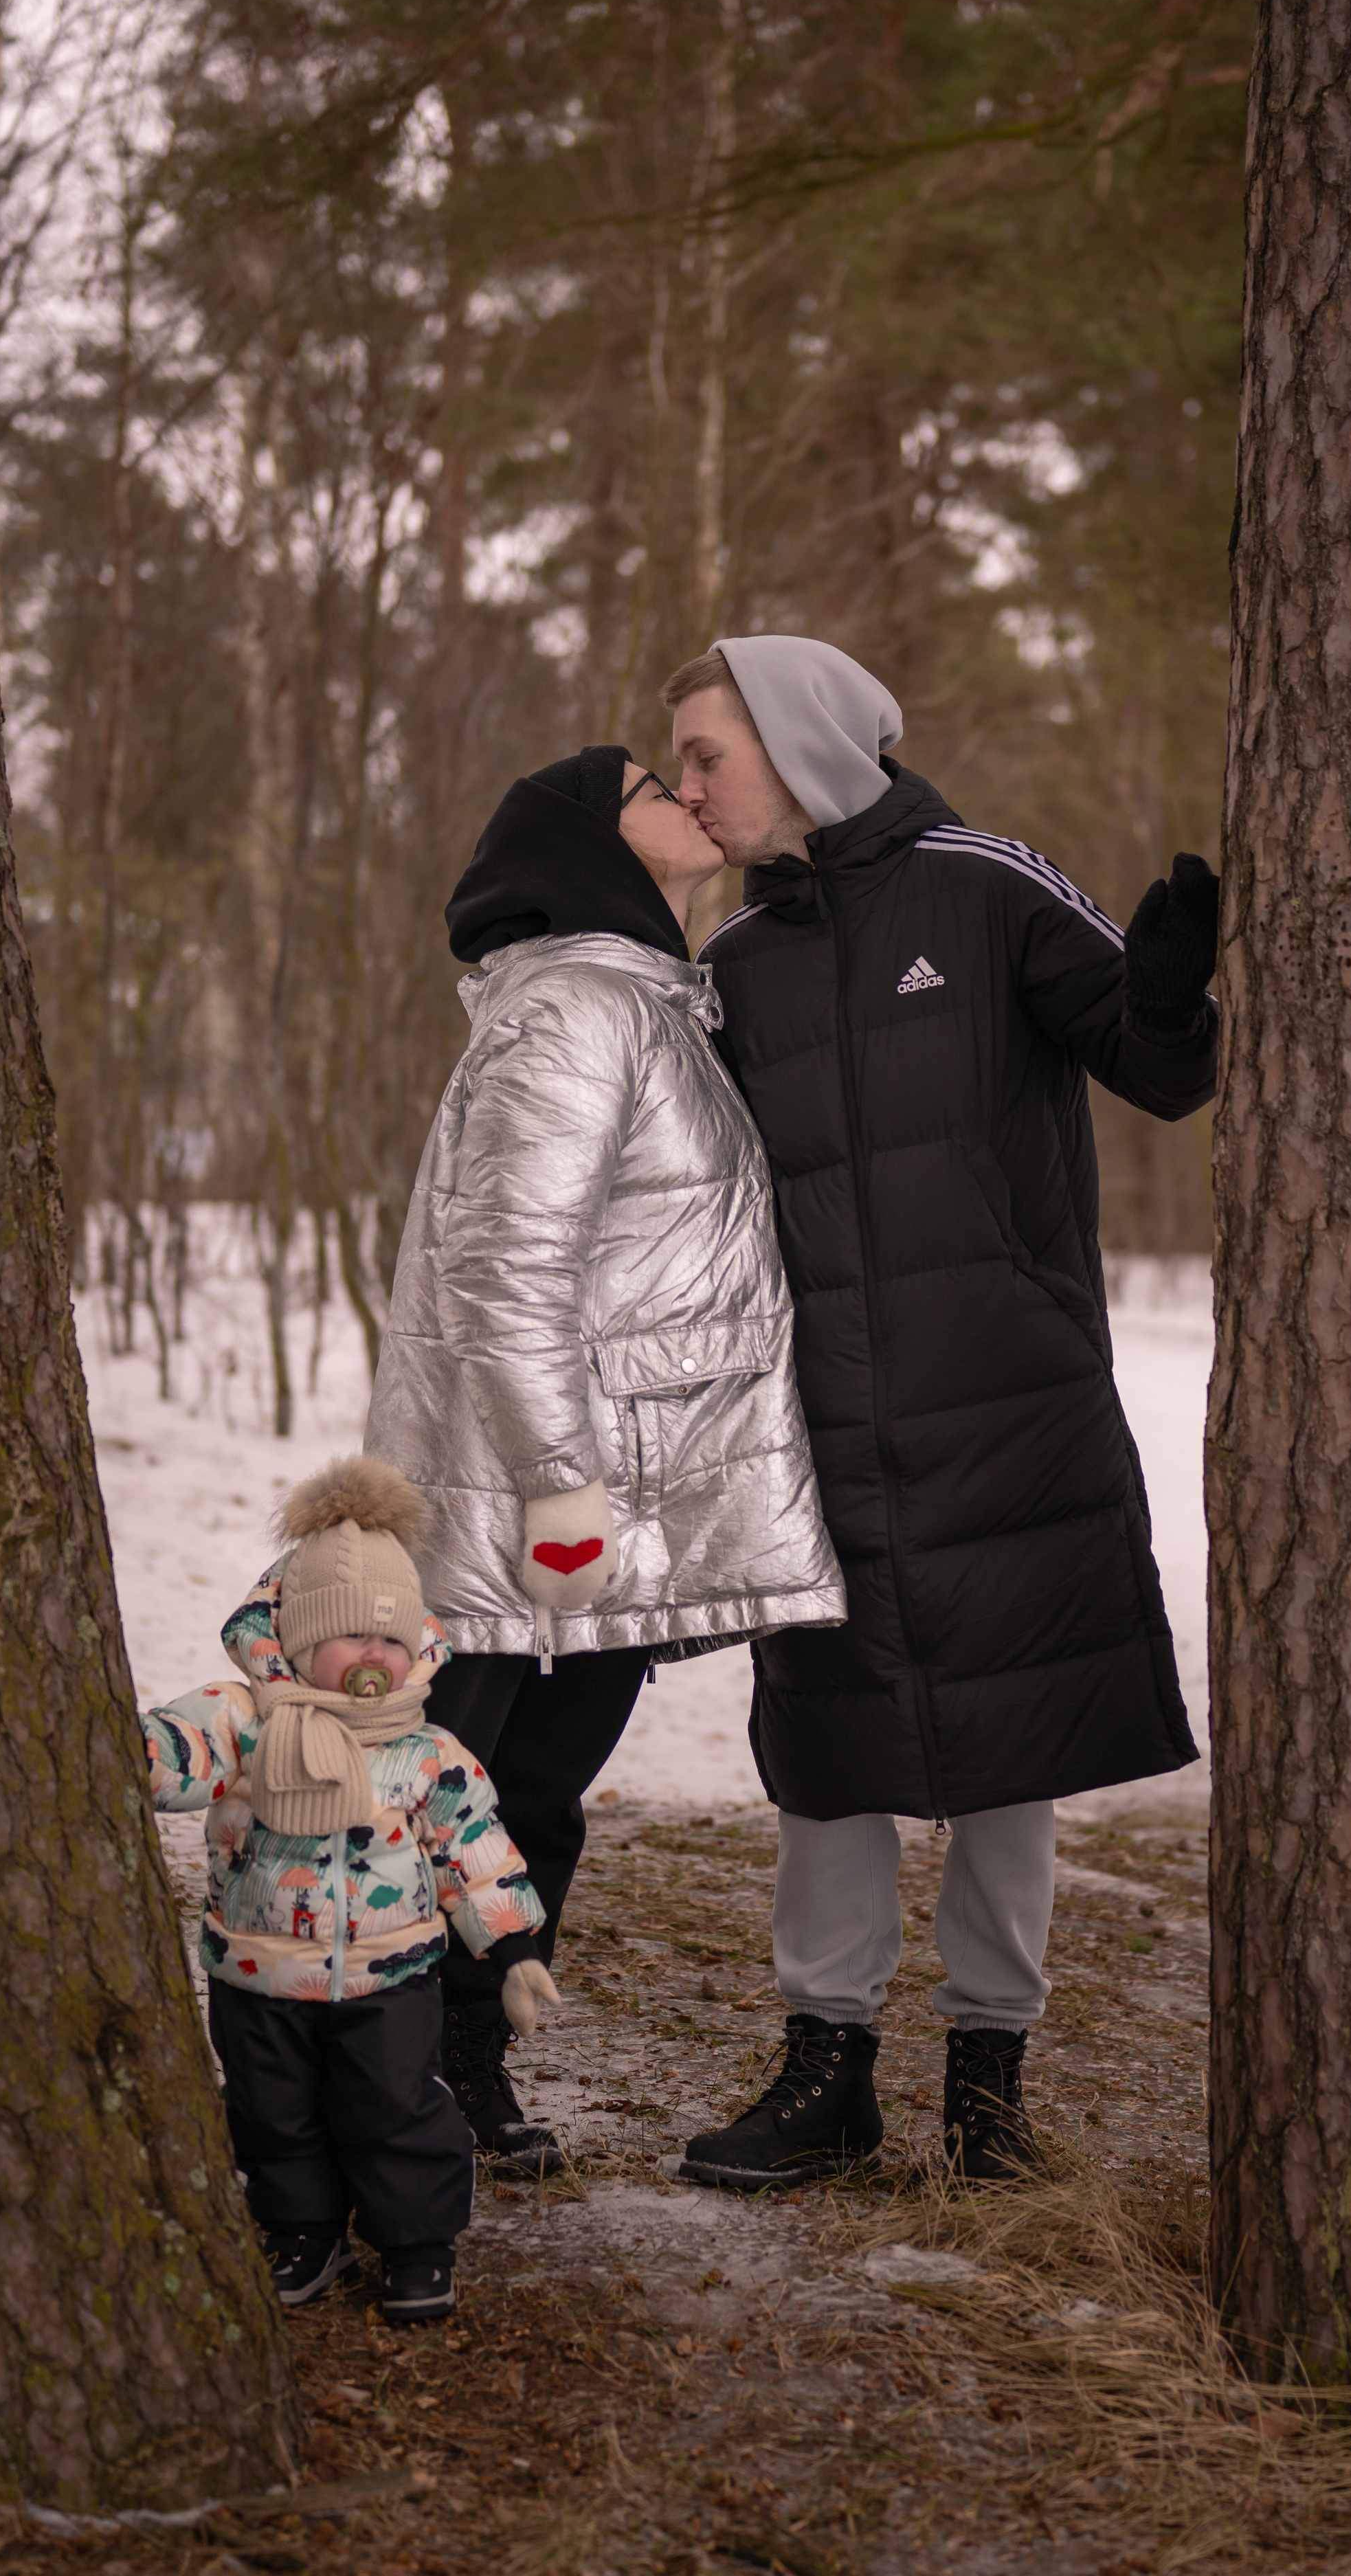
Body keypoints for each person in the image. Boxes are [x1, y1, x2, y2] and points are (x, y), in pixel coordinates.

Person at [662, 636, 1218, 2189]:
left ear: (794, 741)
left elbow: (1151, 1064)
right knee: (826, 1740)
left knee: (1004, 1741)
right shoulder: (731, 963)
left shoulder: (980, 883)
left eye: (708, 753)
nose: (692, 787)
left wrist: (1169, 994)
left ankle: (989, 2081)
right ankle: (822, 2070)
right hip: (816, 1416)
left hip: (1004, 1400)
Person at [359, 744, 845, 2173]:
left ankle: (459, 2069)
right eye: (654, 783)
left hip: (589, 1501)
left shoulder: (639, 999)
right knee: (458, 1797)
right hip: (535, 1505)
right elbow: (507, 1275)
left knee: (530, 1799)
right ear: (582, 841)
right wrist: (563, 1489)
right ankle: (381, 2091)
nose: (692, 798)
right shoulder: (575, 1007)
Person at [146, 1454, 552, 2320]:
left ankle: (416, 2244)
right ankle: (304, 2229)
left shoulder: (427, 1749)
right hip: (259, 1974)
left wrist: (512, 1947)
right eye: (351, 1636)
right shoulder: (246, 1719)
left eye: (390, 1637)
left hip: (392, 1978)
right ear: (297, 1641)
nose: (374, 1653)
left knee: (397, 2107)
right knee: (272, 2114)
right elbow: (173, 1757)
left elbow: (474, 1848)